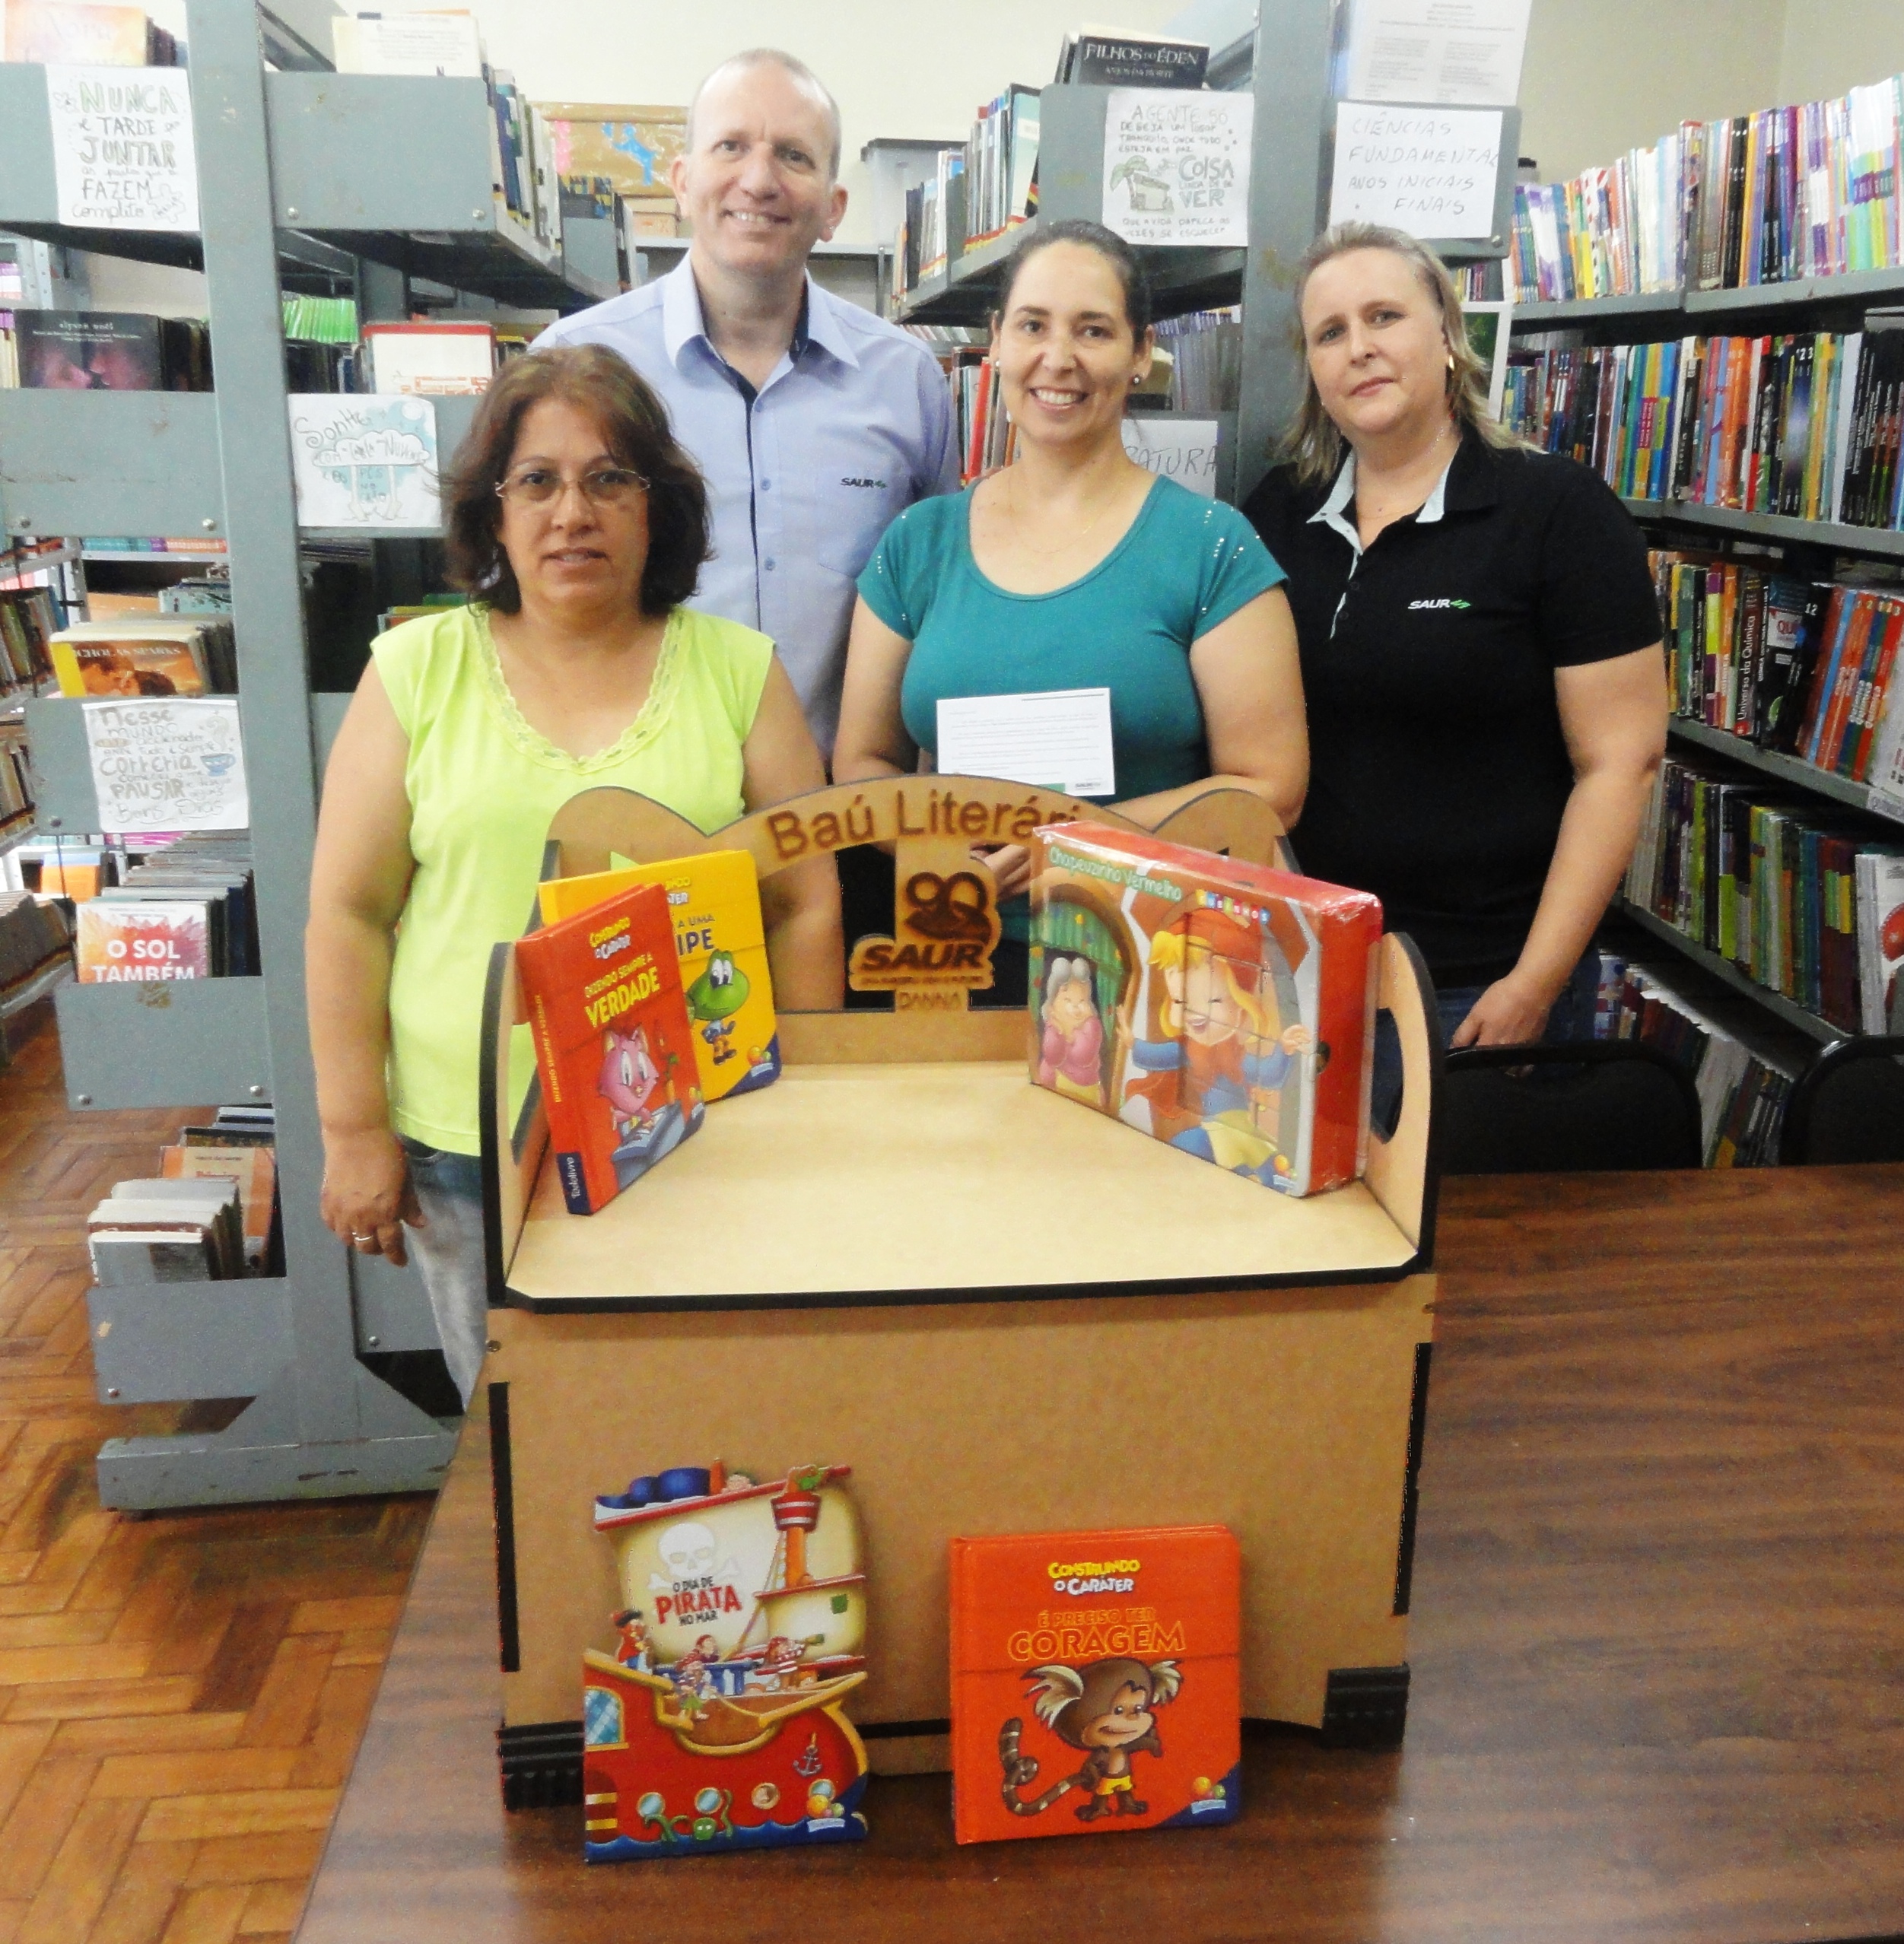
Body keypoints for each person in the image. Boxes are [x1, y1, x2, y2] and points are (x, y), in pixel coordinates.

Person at [306, 345, 842, 1405]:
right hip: (469, 1144)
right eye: (536, 481)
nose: (572, 513)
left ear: (657, 507)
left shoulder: (740, 670)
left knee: (702, 1409)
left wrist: (804, 1107)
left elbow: (804, 901)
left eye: (609, 478)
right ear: (492, 513)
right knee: (520, 1429)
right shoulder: (415, 670)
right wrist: (353, 1128)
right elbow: (347, 912)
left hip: (696, 1125)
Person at [1241, 222, 1666, 1114]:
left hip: (1480, 988)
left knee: (1487, 1248)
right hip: (1306, 979)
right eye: (1330, 332)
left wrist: (1534, 984)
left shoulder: (1556, 511)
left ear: (1445, 333)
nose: (1359, 348)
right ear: (1312, 368)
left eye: (1384, 316)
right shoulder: (1278, 515)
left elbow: (1618, 762)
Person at [832, 218, 1308, 1005]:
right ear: (996, 341)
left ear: (1138, 352)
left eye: (1093, 330)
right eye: (1032, 326)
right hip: (953, 958)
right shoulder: (919, 543)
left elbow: (1270, 788)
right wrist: (942, 846)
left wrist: (1073, 846)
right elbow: (860, 764)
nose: (1058, 359)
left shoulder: (1210, 546)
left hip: (1159, 973)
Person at [534, 48, 960, 758]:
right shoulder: (572, 369)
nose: (758, 181)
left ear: (833, 207)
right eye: (730, 146)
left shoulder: (906, 381)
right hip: (641, 812)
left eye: (793, 156)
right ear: (682, 180)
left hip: (846, 819)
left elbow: (942, 602)